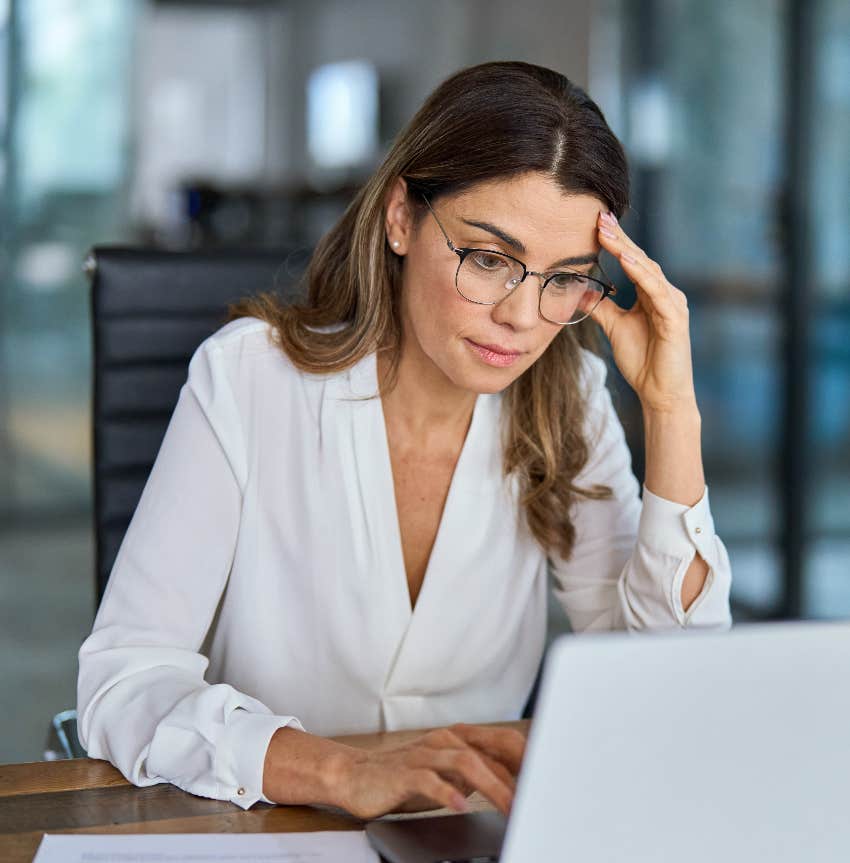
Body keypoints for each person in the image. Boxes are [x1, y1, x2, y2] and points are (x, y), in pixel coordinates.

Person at [77, 61, 732, 822]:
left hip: (470, 832)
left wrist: (670, 409)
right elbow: (123, 684)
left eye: (562, 279)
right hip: (265, 826)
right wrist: (344, 772)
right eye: (489, 259)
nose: (522, 318)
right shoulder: (249, 378)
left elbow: (665, 687)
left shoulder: (567, 399)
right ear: (400, 219)